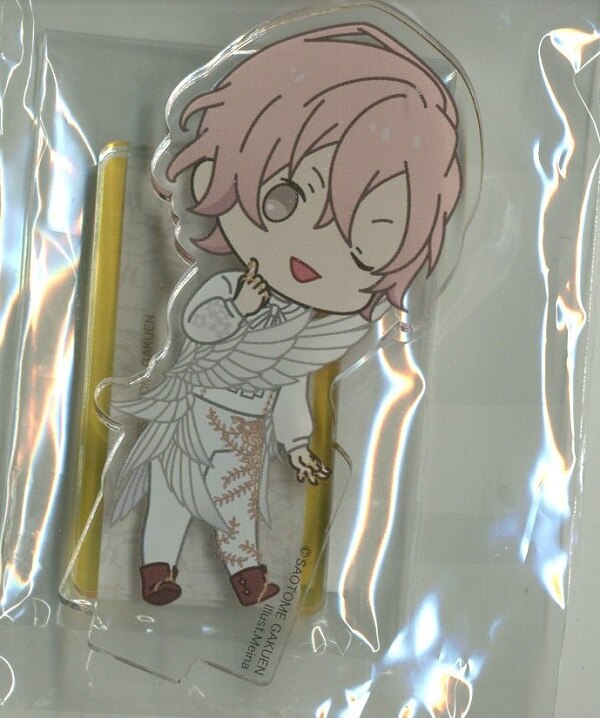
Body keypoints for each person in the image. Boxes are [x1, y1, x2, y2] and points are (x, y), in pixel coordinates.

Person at [109, 22, 462, 607]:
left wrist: (297, 445)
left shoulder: (303, 326)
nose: (312, 248)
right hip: (191, 411)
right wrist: (239, 307)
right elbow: (196, 326)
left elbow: (291, 383)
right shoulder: (226, 285)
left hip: (248, 425)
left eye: (362, 245)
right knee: (171, 490)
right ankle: (156, 568)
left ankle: (246, 573)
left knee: (238, 499)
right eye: (286, 198)